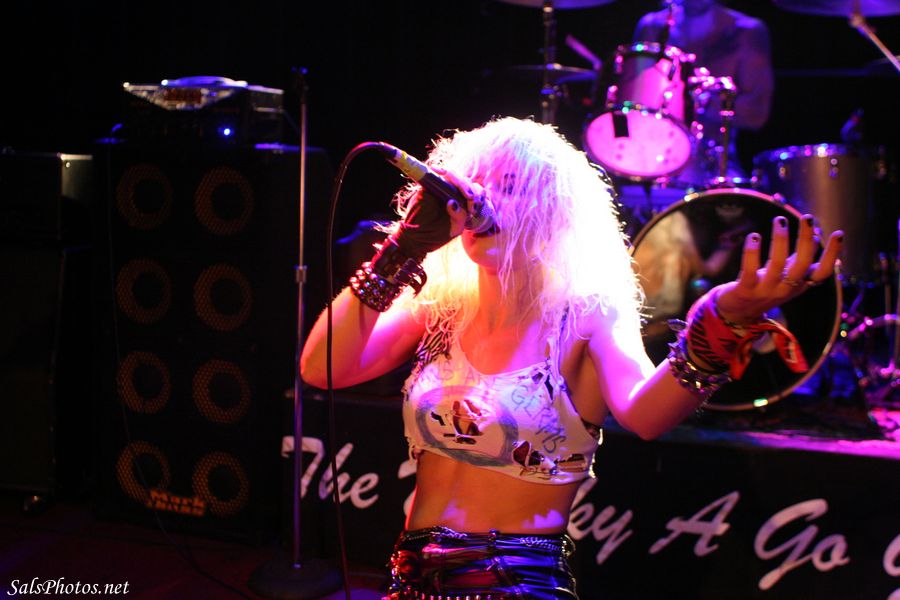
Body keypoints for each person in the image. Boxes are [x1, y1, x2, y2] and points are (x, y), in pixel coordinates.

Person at [299, 117, 841, 599]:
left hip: (514, 584)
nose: (483, 202)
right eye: (476, 186)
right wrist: (400, 248)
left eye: (510, 187)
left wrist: (717, 324)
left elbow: (645, 414)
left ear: (553, 212)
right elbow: (320, 368)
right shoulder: (439, 304)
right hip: (409, 578)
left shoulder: (585, 313)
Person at [633, 0, 775, 185]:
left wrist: (703, 101)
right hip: (651, 154)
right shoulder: (652, 26)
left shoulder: (747, 31)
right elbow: (637, 101)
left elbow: (756, 114)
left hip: (714, 162)